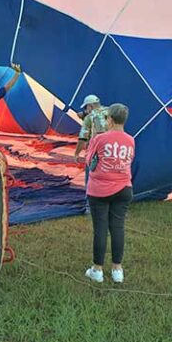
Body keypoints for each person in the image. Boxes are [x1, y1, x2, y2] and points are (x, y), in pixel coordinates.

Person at [83, 103, 134, 284]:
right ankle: (117, 270)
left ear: (110, 119)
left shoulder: (99, 138)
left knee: (101, 229)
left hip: (100, 189)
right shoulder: (130, 140)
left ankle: (97, 270)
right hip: (123, 188)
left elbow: (89, 161)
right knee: (118, 228)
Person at [74, 95, 109, 160]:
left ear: (90, 106)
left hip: (96, 152)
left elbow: (83, 139)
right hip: (113, 150)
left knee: (92, 169)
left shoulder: (89, 118)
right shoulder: (110, 111)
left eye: (85, 107)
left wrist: (76, 154)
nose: (85, 109)